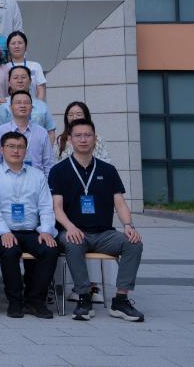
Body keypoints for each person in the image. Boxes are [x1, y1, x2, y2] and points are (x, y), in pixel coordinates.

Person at [48, 119, 145, 322]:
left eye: (88, 135)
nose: (83, 139)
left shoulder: (108, 170)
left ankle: (120, 300)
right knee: (73, 242)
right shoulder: (58, 170)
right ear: (70, 139)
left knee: (133, 243)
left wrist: (128, 226)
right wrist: (70, 227)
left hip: (104, 234)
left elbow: (119, 202)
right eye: (78, 135)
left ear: (95, 139)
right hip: (73, 231)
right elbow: (56, 207)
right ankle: (84, 298)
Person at [0, 131, 58, 319]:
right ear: (2, 150)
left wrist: (46, 230)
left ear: (26, 150)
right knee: (10, 251)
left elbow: (46, 206)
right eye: (11, 146)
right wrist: (4, 232)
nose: (16, 151)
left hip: (31, 231)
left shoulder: (37, 175)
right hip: (3, 231)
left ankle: (35, 301)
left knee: (50, 250)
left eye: (20, 147)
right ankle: (15, 302)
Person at [0, 91, 54, 178]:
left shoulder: (42, 132)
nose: (22, 105)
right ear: (10, 107)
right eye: (18, 102)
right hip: (8, 181)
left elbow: (48, 164)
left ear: (32, 108)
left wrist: (47, 183)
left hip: (37, 181)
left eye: (26, 103)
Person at [0, 65, 56, 139]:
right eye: (15, 78)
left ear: (30, 81)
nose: (20, 81)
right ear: (9, 82)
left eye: (23, 77)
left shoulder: (41, 105)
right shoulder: (3, 104)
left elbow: (50, 131)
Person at [5, 31, 47, 101]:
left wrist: (38, 105)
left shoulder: (36, 66)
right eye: (13, 43)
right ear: (8, 47)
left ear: (26, 46)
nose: (16, 46)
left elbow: (41, 89)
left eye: (20, 43)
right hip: (11, 106)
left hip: (33, 105)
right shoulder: (4, 68)